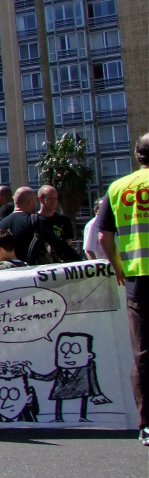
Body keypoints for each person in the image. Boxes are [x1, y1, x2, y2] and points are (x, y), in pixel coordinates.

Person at [98, 131, 149, 446]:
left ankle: (146, 424)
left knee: (143, 353)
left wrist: (118, 267)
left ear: (136, 154)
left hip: (138, 280)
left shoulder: (118, 188)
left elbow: (104, 236)